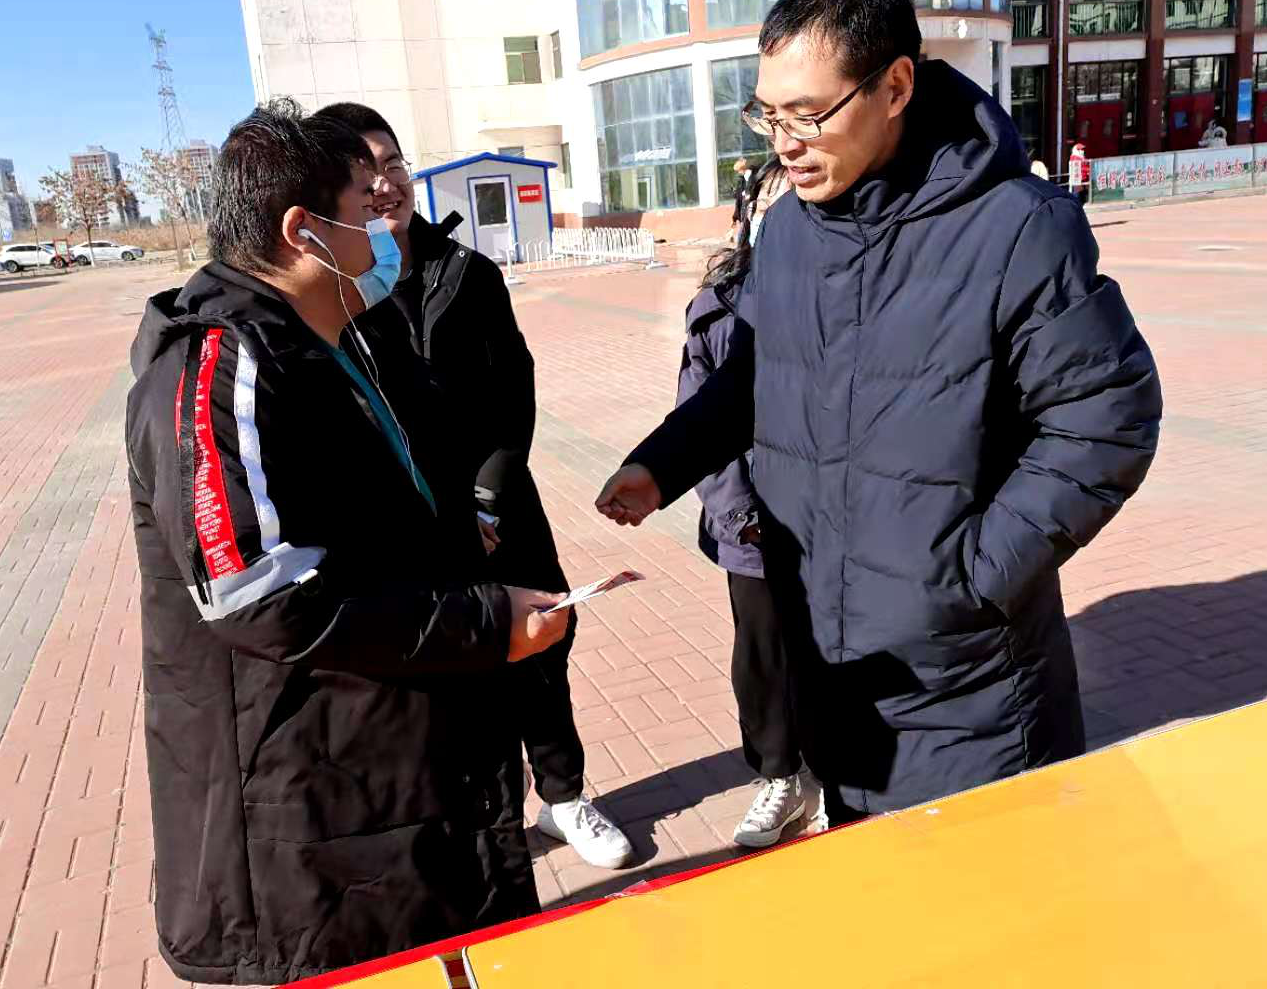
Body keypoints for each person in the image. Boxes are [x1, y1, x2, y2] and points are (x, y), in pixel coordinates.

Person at [597, 0, 1161, 824]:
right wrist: (661, 464)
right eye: (767, 114)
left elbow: (1106, 417)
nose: (784, 142)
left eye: (808, 114)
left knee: (983, 903)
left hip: (971, 689)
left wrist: (972, 580)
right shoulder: (790, 232)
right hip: (837, 669)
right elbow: (755, 373)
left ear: (895, 87)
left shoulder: (1016, 227)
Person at [125, 99, 570, 985]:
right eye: (365, 206)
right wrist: (483, 625)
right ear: (304, 232)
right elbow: (262, 597)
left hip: (396, 783)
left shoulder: (344, 340)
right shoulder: (217, 368)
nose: (387, 220)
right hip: (310, 820)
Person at [313, 102, 633, 871]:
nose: (385, 184)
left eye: (393, 164)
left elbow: (512, 394)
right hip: (408, 525)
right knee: (448, 665)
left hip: (499, 501)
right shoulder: (330, 295)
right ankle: (474, 827)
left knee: (543, 640)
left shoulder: (467, 273)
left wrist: (485, 503)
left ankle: (564, 798)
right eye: (365, 174)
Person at [683, 161, 807, 848]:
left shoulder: (850, 288)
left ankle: (835, 769)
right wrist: (739, 515)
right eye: (769, 204)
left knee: (838, 647)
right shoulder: (717, 304)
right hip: (754, 526)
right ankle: (778, 774)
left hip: (835, 518)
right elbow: (697, 420)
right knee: (762, 654)